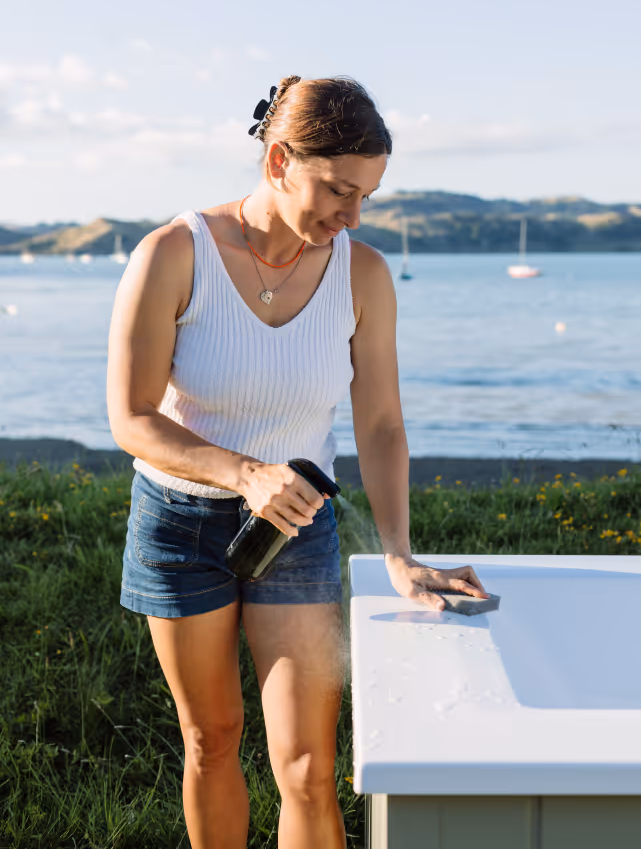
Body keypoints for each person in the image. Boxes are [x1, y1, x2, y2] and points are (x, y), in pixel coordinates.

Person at [107, 75, 488, 849]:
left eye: (367, 197)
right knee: (212, 740)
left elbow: (380, 425)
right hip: (179, 527)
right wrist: (246, 474)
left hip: (299, 530)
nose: (351, 216)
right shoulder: (172, 255)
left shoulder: (364, 275)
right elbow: (133, 419)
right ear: (279, 159)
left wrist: (398, 554)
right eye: (339, 190)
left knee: (310, 768)